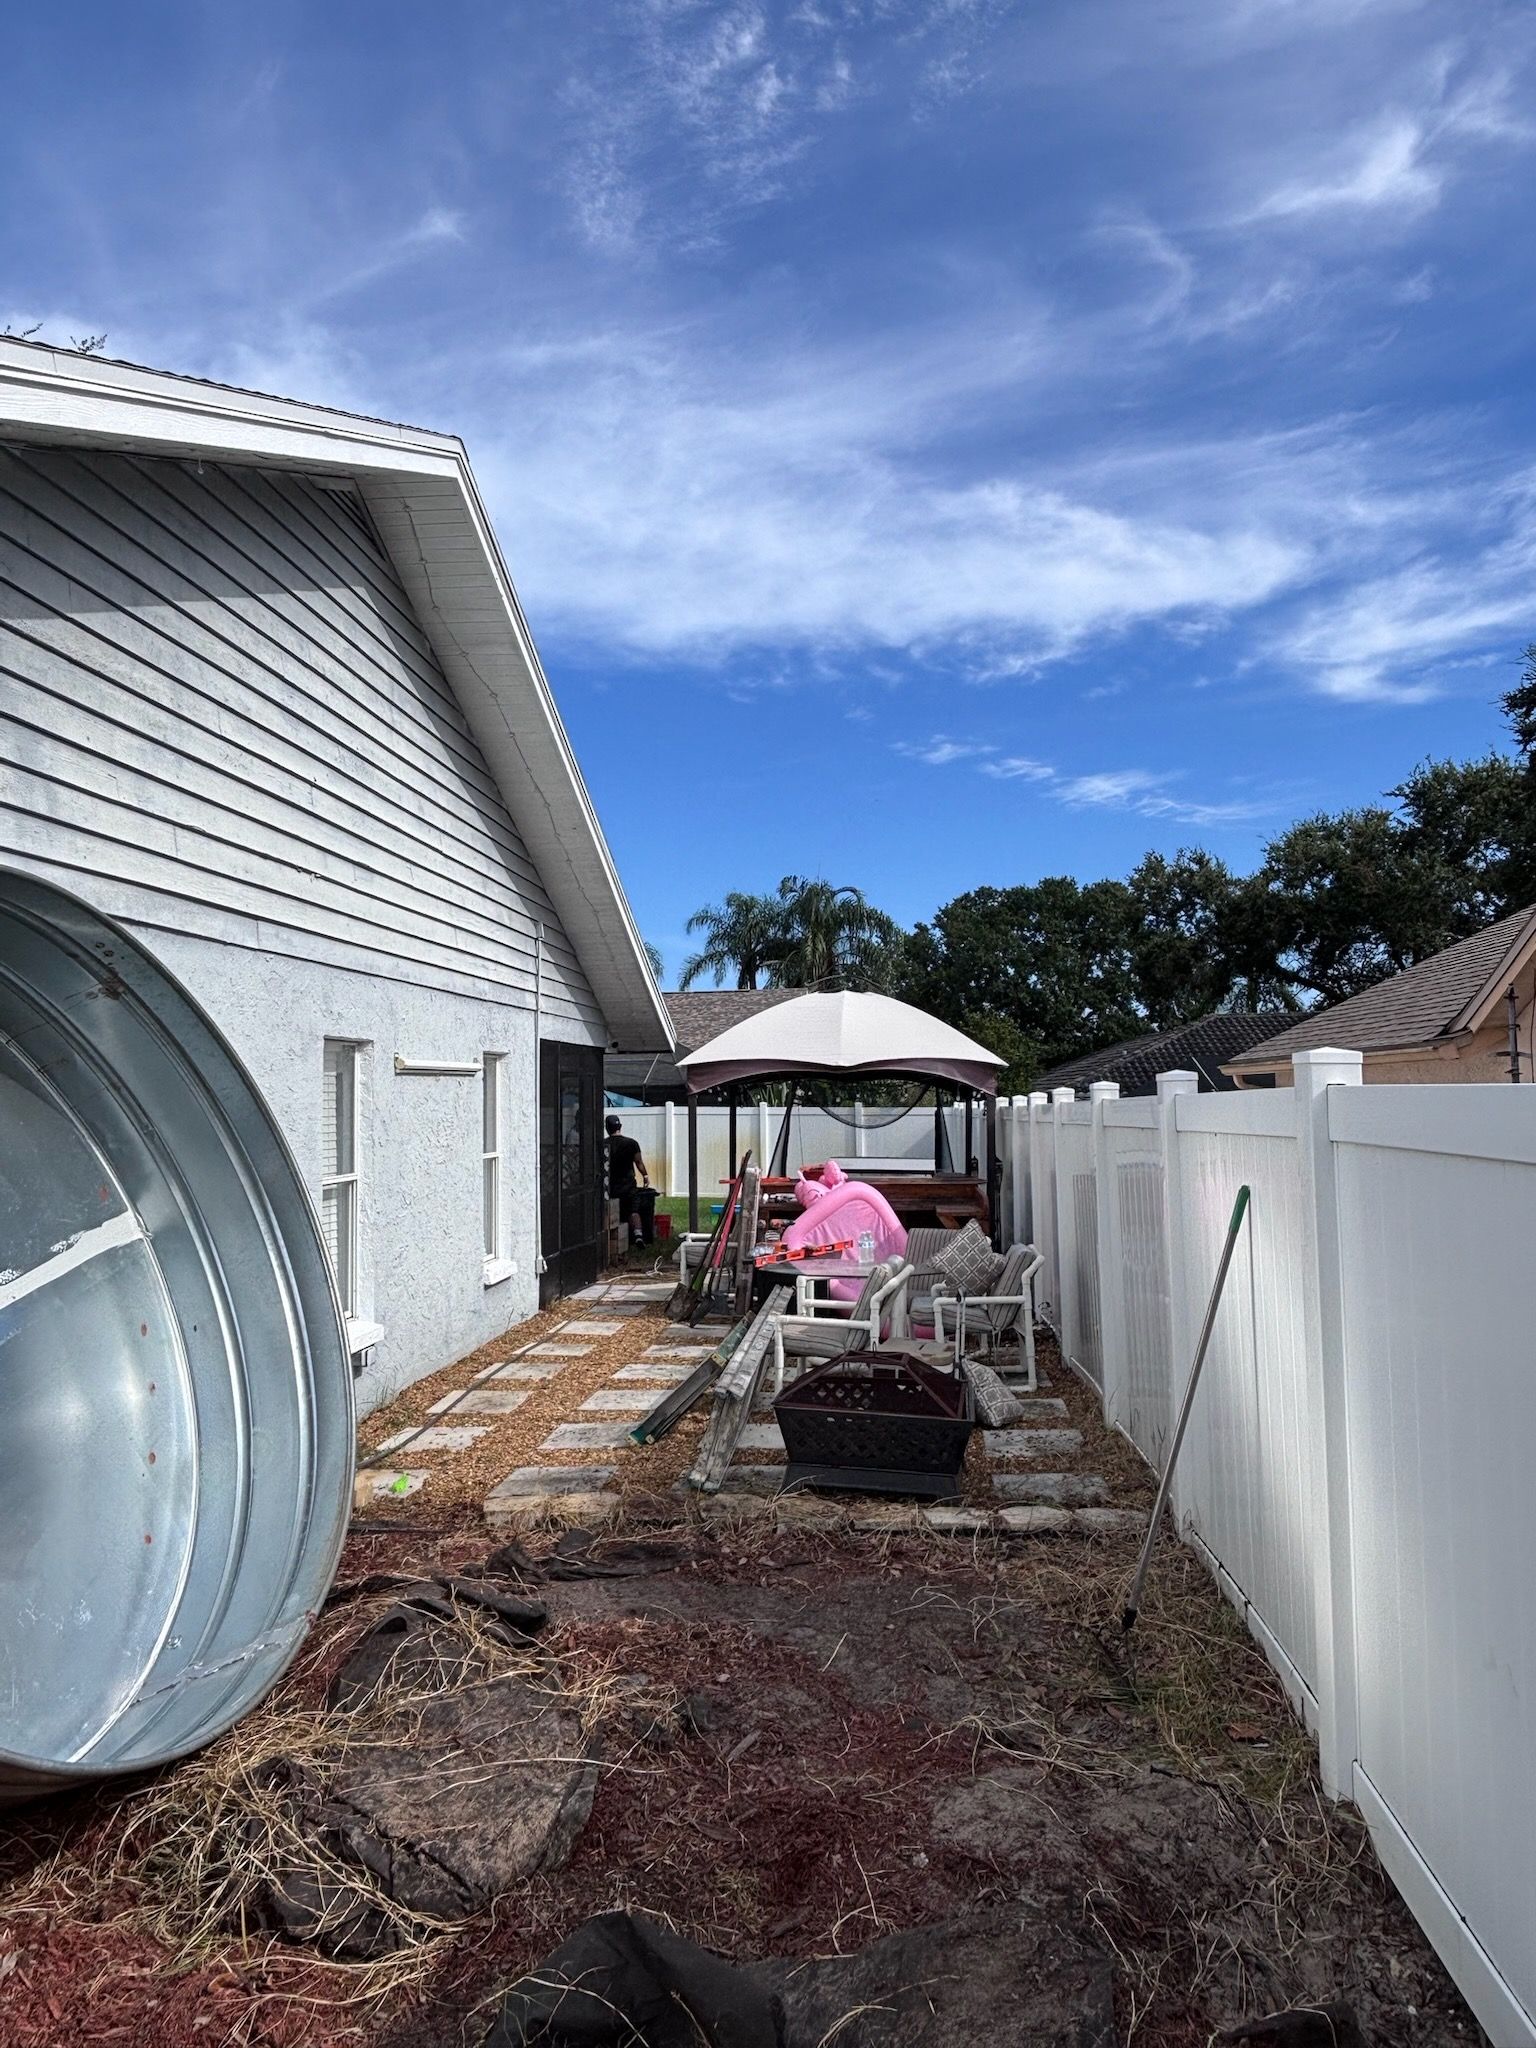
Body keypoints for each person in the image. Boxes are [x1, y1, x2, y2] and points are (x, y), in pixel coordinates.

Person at [605, 1114, 650, 1246]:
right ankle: (638, 1235)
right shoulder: (631, 1143)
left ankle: (611, 1240)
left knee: (611, 1213)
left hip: (611, 1186)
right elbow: (639, 1162)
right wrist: (645, 1176)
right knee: (633, 1211)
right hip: (629, 1185)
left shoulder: (604, 1144)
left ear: (607, 1128)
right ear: (620, 1126)